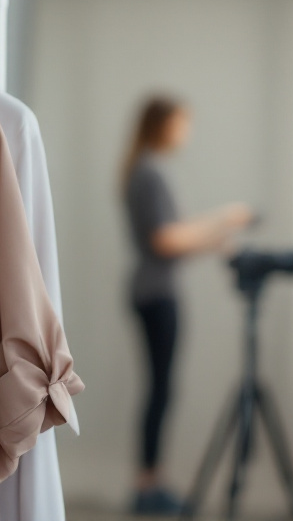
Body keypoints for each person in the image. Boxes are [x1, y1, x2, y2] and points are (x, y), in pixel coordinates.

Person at [121, 94, 254, 516]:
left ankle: (150, 481)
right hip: (157, 293)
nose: (185, 132)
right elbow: (166, 240)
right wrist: (221, 227)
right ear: (163, 125)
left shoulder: (141, 169)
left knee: (160, 388)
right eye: (181, 123)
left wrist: (217, 230)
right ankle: (148, 484)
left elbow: (171, 233)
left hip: (151, 290)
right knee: (160, 389)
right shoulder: (149, 173)